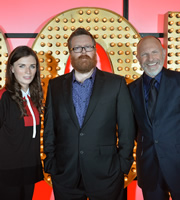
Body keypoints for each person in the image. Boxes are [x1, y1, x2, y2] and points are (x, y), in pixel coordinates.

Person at [44, 27, 136, 200]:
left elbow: (127, 128)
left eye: (88, 47)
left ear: (95, 50)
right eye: (77, 48)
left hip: (107, 174)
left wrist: (123, 165)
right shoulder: (54, 86)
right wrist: (50, 161)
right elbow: (50, 127)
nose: (83, 52)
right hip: (65, 175)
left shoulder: (115, 84)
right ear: (70, 52)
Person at [128, 36, 180, 200]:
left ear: (163, 53)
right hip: (149, 167)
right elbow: (131, 129)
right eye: (144, 54)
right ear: (137, 58)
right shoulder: (130, 90)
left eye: (154, 52)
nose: (150, 59)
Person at [0, 46, 44, 200]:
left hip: (28, 170)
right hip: (6, 173)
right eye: (22, 66)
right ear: (12, 69)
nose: (28, 71)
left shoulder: (35, 97)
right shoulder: (3, 97)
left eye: (32, 66)